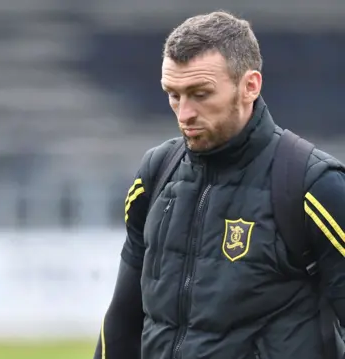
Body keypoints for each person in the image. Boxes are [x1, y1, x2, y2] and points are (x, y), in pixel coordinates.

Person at [93, 11, 345, 359]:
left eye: (200, 94)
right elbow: (122, 322)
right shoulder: (155, 173)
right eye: (174, 95)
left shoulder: (313, 187)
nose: (184, 115)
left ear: (250, 86)